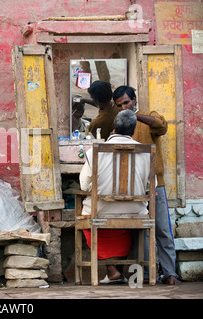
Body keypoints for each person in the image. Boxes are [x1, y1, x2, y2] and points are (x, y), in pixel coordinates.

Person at [113, 85, 181, 285]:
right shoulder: (118, 125)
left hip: (154, 183)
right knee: (138, 231)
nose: (123, 107)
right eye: (119, 105)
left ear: (134, 100)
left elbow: (162, 126)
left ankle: (170, 273)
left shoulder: (147, 116)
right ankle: (142, 274)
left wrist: (135, 115)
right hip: (131, 186)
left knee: (162, 229)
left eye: (126, 102)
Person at [79, 110, 151, 284]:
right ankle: (116, 272)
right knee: (124, 227)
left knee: (87, 221)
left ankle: (112, 270)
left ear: (113, 128)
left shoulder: (94, 151)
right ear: (133, 130)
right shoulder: (146, 152)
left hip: (102, 209)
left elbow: (83, 186)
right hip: (135, 211)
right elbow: (151, 186)